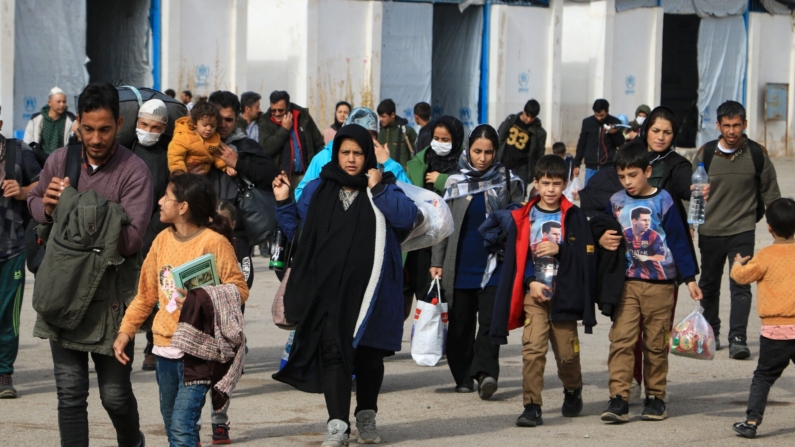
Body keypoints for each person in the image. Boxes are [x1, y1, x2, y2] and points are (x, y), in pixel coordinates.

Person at [271, 124, 417, 447]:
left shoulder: (385, 185)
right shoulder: (318, 188)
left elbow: (407, 217)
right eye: (345, 152)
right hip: (329, 292)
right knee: (333, 354)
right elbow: (300, 232)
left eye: (358, 153)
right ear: (336, 153)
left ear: (368, 155)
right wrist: (283, 203)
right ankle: (337, 425)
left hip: (371, 295)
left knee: (368, 358)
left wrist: (378, 188)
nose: (351, 160)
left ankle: (366, 414)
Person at [27, 83, 152, 446]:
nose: (95, 138)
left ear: (120, 124)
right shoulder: (60, 161)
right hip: (63, 291)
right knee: (69, 395)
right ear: (77, 122)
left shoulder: (135, 171)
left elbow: (130, 241)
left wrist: (77, 208)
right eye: (88, 128)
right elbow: (34, 203)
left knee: (113, 396)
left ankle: (133, 441)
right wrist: (49, 208)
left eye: (105, 129)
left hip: (112, 302)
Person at [113, 173, 249, 447]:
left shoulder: (214, 242)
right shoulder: (162, 240)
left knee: (181, 427)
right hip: (164, 349)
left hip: (198, 351)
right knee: (171, 423)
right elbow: (146, 295)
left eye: (167, 197)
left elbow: (239, 290)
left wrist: (200, 298)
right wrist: (125, 331)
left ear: (183, 206)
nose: (160, 201)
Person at [483, 155, 596, 427]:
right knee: (533, 350)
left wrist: (562, 250)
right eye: (545, 183)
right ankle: (532, 405)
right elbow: (518, 259)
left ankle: (572, 388)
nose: (551, 189)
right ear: (536, 182)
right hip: (534, 297)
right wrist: (529, 282)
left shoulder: (575, 216)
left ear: (565, 184)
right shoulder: (523, 216)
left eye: (557, 184)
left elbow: (587, 255)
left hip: (564, 296)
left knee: (568, 355)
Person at [595, 143, 702, 423]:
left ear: (648, 171)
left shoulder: (664, 200)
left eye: (633, 175)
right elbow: (602, 229)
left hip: (661, 285)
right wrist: (601, 239)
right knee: (621, 340)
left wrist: (689, 278)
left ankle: (655, 397)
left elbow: (679, 241)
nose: (627, 182)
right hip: (627, 284)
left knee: (655, 343)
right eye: (622, 176)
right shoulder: (616, 201)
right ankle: (619, 397)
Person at [430, 124, 524, 398]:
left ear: (496, 153)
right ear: (468, 150)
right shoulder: (453, 182)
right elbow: (441, 225)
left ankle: (485, 374)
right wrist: (436, 261)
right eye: (477, 151)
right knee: (460, 325)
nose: (482, 158)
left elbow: (520, 218)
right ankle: (462, 376)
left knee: (490, 323)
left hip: (495, 264)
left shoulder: (510, 181)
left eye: (488, 152)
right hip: (459, 266)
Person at [693, 100, 781, 360]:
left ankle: (738, 339)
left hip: (742, 230)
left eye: (737, 125)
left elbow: (771, 193)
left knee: (740, 283)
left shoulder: (757, 154)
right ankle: (711, 333)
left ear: (744, 125)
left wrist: (777, 225)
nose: (732, 131)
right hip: (710, 230)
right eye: (727, 126)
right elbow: (690, 194)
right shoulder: (705, 154)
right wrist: (690, 225)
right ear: (718, 126)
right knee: (708, 284)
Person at [729, 198, 795, 439]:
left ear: (769, 227)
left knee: (763, 377)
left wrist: (737, 264)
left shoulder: (766, 256)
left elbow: (742, 277)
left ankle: (751, 421)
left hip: (775, 331)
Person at [403, 116, 466, 319]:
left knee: (436, 292)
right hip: (418, 238)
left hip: (446, 239)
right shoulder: (420, 162)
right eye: (436, 138)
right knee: (408, 287)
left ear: (456, 140)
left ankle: (434, 338)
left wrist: (443, 180)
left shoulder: (463, 165)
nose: (439, 143)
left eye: (445, 139)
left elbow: (465, 187)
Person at [0, 105, 41, 399]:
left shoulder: (18, 150)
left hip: (10, 246)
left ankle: (4, 373)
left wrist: (23, 190)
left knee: (7, 314)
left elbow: (43, 183)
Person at [129, 99, 173, 371]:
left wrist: (155, 227)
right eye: (144, 125)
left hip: (156, 231)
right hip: (124, 230)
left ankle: (152, 346)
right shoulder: (124, 150)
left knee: (158, 292)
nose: (148, 131)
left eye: (155, 127)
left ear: (163, 129)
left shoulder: (168, 155)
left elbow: (170, 193)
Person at [295, 107, 409, 202]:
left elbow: (407, 195)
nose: (364, 139)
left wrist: (387, 162)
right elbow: (301, 195)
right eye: (358, 132)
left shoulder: (380, 160)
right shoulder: (324, 157)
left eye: (371, 134)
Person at [258, 90, 325, 186]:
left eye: (280, 110)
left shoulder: (302, 115)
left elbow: (318, 143)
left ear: (288, 107)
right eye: (273, 110)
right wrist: (284, 129)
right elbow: (266, 149)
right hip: (281, 179)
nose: (277, 114)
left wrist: (318, 169)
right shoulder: (265, 121)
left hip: (306, 176)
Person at [168, 99, 231, 176]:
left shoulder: (214, 138)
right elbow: (175, 156)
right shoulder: (183, 136)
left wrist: (225, 166)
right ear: (194, 123)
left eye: (213, 126)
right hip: (186, 176)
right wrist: (180, 173)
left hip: (205, 176)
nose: (208, 129)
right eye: (204, 125)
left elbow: (217, 155)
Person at [497, 99, 548, 189]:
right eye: (527, 115)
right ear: (523, 111)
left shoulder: (539, 132)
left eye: (532, 117)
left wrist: (538, 173)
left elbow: (539, 155)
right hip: (503, 164)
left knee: (519, 197)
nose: (528, 119)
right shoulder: (511, 120)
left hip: (521, 168)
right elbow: (499, 138)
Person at [574, 99, 625, 185]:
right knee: (589, 194)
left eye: (602, 115)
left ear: (607, 111)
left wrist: (613, 133)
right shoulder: (587, 123)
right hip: (591, 167)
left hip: (608, 167)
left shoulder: (615, 122)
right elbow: (581, 144)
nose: (599, 118)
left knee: (607, 194)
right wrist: (577, 164)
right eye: (597, 115)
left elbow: (620, 143)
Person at [23, 87, 76, 155]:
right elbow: (27, 143)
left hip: (63, 160)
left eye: (64, 102)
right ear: (49, 102)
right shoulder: (35, 119)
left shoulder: (71, 120)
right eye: (58, 102)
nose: (62, 104)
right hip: (40, 160)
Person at [377, 99, 417, 169]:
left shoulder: (406, 131)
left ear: (392, 115)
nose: (380, 119)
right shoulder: (379, 131)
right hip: (384, 175)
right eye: (379, 116)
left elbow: (416, 155)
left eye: (383, 116)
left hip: (402, 175)